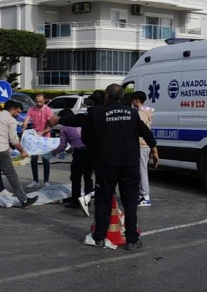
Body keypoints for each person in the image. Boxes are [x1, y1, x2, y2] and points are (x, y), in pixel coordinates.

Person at [51, 84, 158, 250]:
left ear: (107, 96)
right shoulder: (132, 113)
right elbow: (145, 131)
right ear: (122, 98)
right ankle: (132, 239)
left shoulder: (96, 112)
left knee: (103, 200)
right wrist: (155, 149)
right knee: (130, 202)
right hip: (129, 163)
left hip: (106, 164)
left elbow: (78, 120)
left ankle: (99, 237)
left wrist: (58, 119)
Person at [0, 100, 39, 208]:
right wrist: (23, 151)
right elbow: (14, 140)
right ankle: (24, 200)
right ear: (13, 109)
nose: (18, 114)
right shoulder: (11, 120)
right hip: (0, 151)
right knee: (12, 175)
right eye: (17, 112)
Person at [51, 109, 92, 210]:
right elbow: (79, 141)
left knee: (76, 177)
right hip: (90, 151)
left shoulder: (65, 128)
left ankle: (75, 200)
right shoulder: (81, 124)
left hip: (79, 153)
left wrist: (52, 152)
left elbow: (62, 146)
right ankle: (88, 199)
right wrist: (69, 150)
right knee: (88, 176)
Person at [22, 93, 54, 188]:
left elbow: (50, 126)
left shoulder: (48, 110)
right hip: (34, 137)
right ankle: (35, 180)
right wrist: (24, 128)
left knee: (46, 159)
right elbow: (26, 119)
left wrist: (43, 132)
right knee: (33, 159)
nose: (38, 103)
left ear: (45, 100)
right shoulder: (32, 109)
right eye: (37, 101)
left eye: (40, 101)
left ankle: (46, 181)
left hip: (45, 137)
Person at [131, 90, 156, 207]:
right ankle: (142, 195)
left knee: (142, 170)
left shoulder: (140, 114)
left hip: (141, 144)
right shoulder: (147, 112)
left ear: (136, 100)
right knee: (141, 170)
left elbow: (139, 130)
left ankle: (145, 196)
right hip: (145, 145)